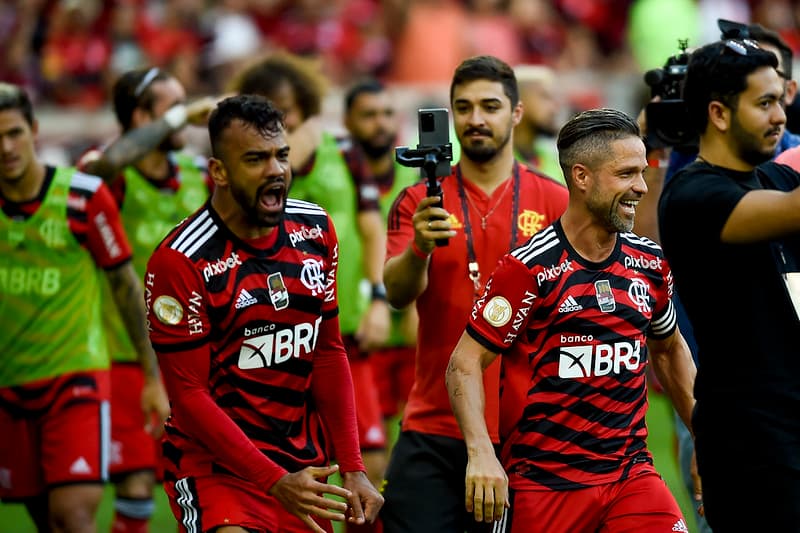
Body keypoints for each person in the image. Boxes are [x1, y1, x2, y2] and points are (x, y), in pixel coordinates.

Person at [446, 107, 696, 532]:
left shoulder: (649, 262)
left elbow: (669, 350)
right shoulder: (529, 269)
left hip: (630, 475)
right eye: (626, 174)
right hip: (545, 483)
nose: (640, 186)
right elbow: (464, 363)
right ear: (582, 177)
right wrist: (481, 452)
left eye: (642, 172)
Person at [145, 94, 383, 533]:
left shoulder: (315, 230)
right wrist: (272, 480)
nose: (276, 170)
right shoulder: (180, 261)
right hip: (217, 469)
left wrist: (352, 467)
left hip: (301, 466)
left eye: (282, 155)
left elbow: (327, 352)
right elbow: (189, 395)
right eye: (256, 159)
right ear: (218, 171)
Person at [381, 55, 569, 533]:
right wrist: (419, 249)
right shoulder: (419, 200)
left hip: (528, 430)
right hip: (434, 426)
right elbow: (398, 293)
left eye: (490, 106)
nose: (476, 119)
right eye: (463, 108)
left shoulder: (556, 201)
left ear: (517, 113)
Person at [0, 83, 160, 532]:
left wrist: (152, 377)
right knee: (46, 520)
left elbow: (125, 286)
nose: (6, 148)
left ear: (34, 130)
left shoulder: (82, 196)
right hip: (9, 385)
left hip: (76, 382)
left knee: (73, 514)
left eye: (14, 133)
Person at [230, 53, 392, 495]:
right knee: (291, 466)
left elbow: (371, 228)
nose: (281, 122)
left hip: (342, 327)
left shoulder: (343, 151)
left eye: (287, 110)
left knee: (369, 461)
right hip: (277, 334)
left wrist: (377, 298)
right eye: (268, 113)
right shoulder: (253, 166)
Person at [658, 39, 800, 531]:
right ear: (718, 113)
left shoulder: (775, 180)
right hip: (752, 447)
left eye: (781, 100)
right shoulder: (693, 195)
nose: (780, 116)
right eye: (765, 103)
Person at [78, 66, 214, 533]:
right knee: (136, 486)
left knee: (204, 489)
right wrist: (178, 119)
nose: (186, 117)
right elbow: (101, 168)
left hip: (195, 362)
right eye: (173, 107)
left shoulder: (198, 175)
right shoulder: (109, 174)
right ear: (141, 116)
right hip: (125, 360)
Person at [343, 78, 421, 461]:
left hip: (412, 334)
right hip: (360, 336)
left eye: (388, 114)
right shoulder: (337, 177)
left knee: (411, 452)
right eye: (369, 115)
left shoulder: (417, 175)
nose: (380, 123)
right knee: (369, 460)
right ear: (347, 121)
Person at [513, 64, 565, 185]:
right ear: (518, 101)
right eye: (545, 97)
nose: (555, 108)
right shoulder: (493, 160)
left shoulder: (556, 159)